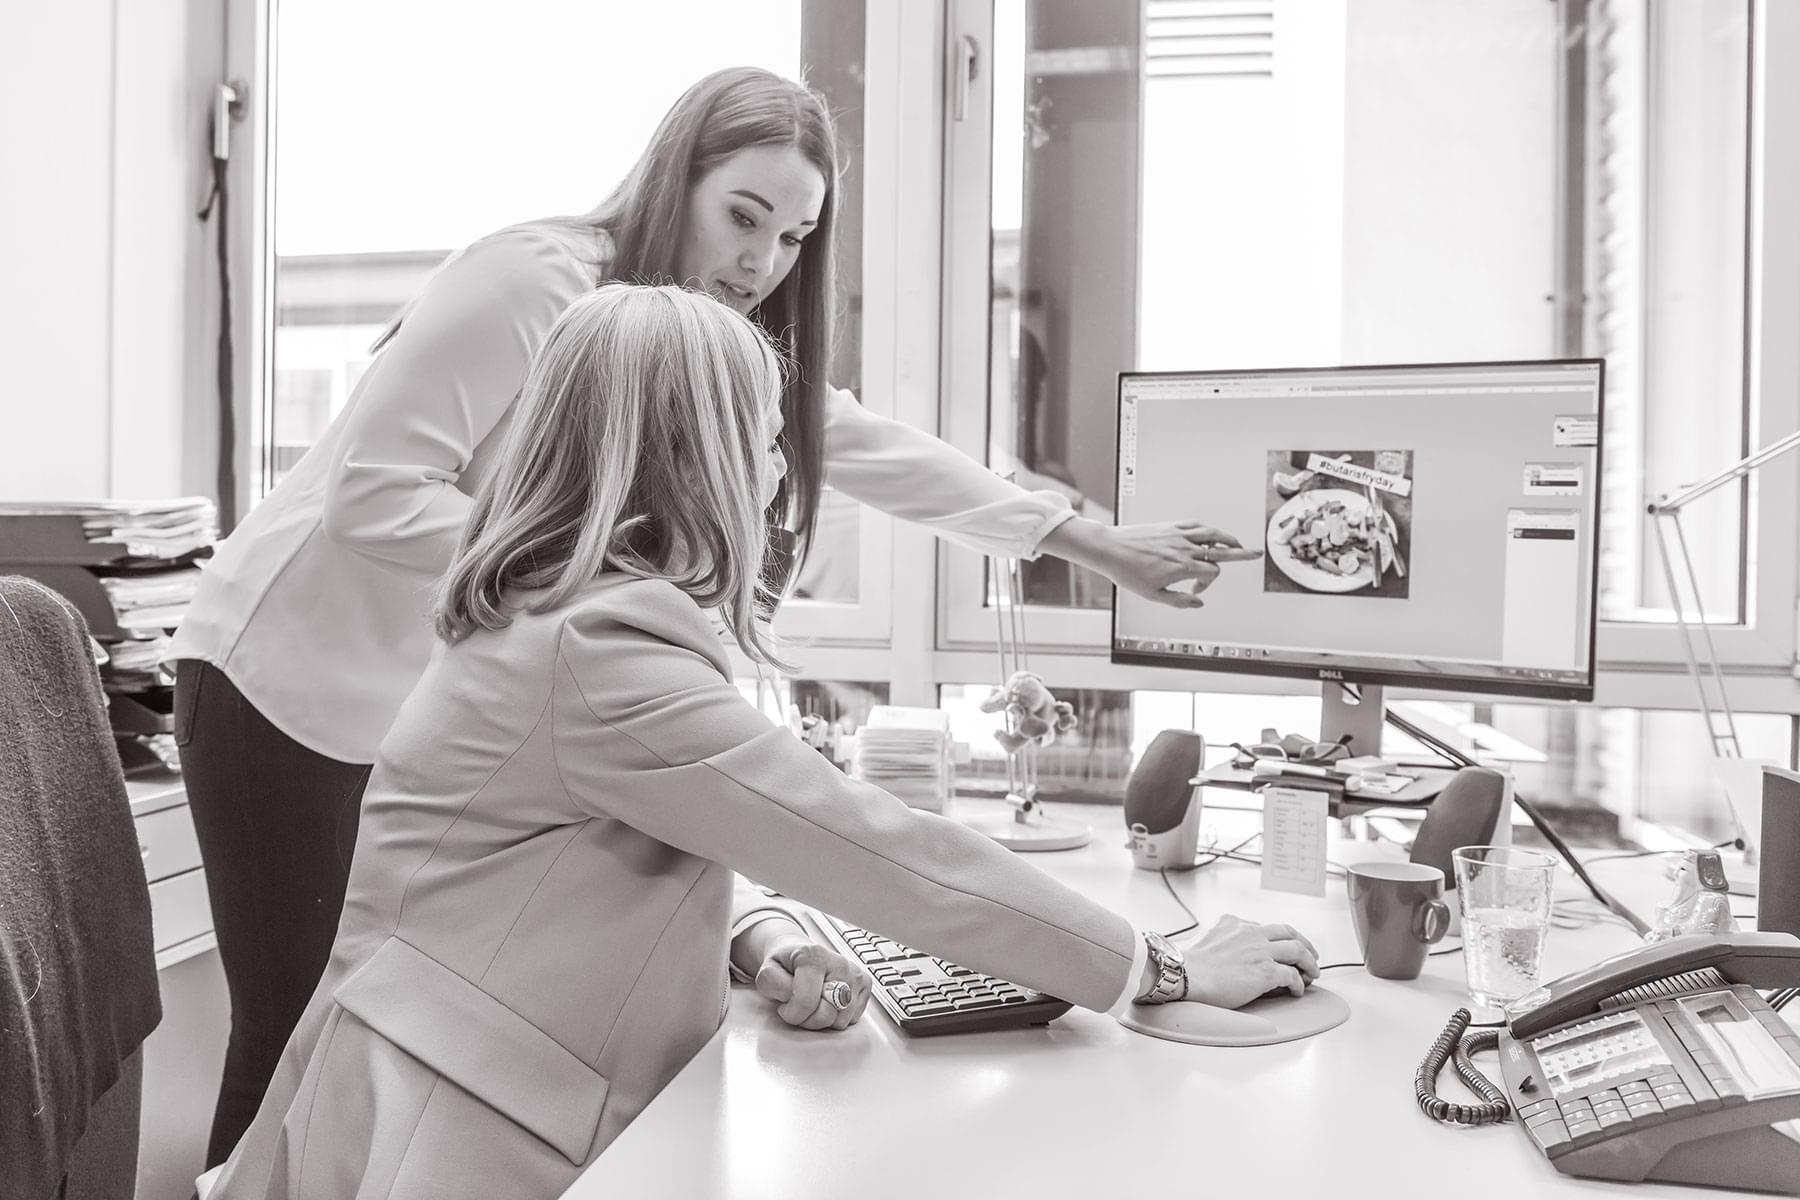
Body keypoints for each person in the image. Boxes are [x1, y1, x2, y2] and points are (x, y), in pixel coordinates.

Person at [167, 65, 1261, 1164]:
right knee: (298, 1026)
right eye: (744, 216)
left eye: (792, 238)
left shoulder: (680, 378)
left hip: (455, 686)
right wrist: (575, 578)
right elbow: (372, 494)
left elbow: (859, 446)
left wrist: (1081, 539)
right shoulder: (538, 297)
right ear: (673, 178)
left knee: (388, 995)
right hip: (284, 679)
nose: (762, 260)